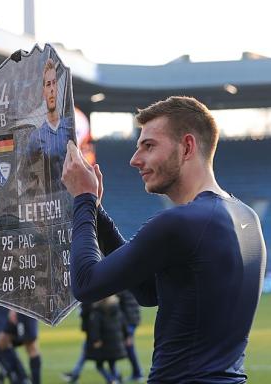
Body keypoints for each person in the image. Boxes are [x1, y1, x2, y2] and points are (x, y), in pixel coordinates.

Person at [61, 96, 267, 383]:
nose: (135, 160)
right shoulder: (246, 216)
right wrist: (96, 211)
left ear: (187, 147)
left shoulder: (181, 222)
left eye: (149, 146)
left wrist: (82, 200)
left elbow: (86, 284)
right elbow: (148, 292)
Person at [24, 57, 75, 196]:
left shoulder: (71, 128)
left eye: (54, 84)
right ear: (43, 92)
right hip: (50, 208)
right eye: (48, 84)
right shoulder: (36, 137)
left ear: (58, 89)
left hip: (72, 205)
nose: (52, 89)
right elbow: (28, 177)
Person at [84, 295, 129, 384]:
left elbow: (95, 328)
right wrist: (126, 336)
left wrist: (96, 340)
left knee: (99, 365)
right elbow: (124, 324)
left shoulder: (97, 312)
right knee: (112, 364)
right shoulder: (117, 309)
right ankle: (116, 380)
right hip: (115, 342)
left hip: (103, 344)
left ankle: (111, 380)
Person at [0, 311, 42, 384]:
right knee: (1, 341)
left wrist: (14, 309)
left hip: (26, 310)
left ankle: (35, 381)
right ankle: (21, 377)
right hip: (16, 308)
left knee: (31, 347)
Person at [117, 290, 143, 382]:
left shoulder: (123, 288)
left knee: (129, 347)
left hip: (129, 321)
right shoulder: (129, 284)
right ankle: (137, 373)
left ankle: (138, 373)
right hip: (132, 320)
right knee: (129, 347)